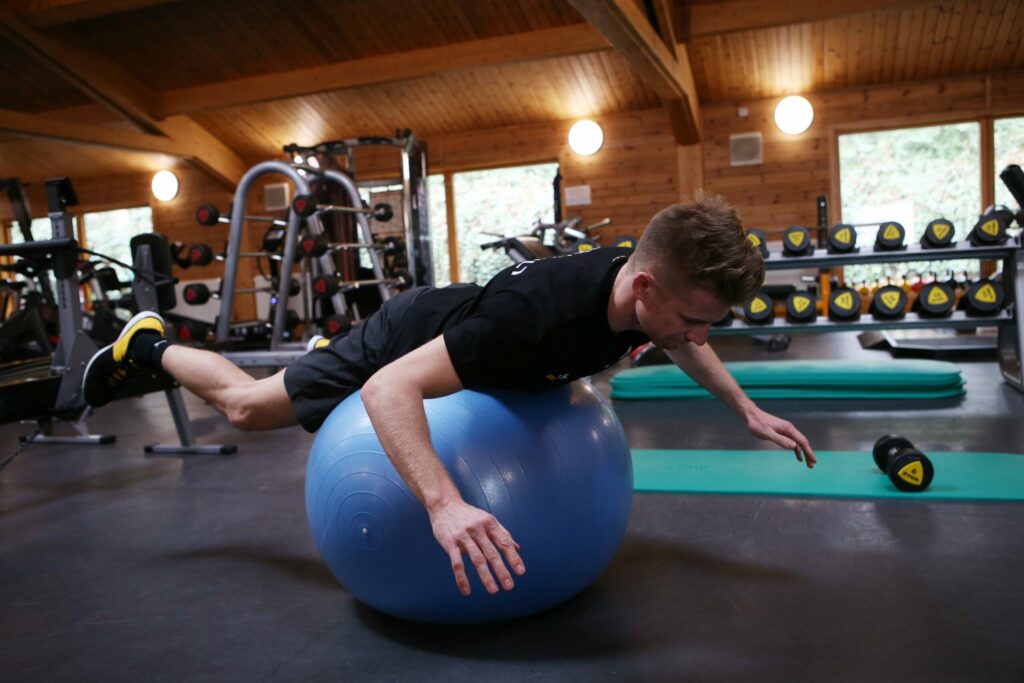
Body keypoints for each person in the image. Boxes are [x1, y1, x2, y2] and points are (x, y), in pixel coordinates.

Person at [83, 193, 815, 598]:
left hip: (471, 342)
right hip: (407, 341)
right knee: (249, 409)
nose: (696, 335)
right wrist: (444, 501)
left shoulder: (645, 294)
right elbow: (387, 386)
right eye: (691, 317)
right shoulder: (531, 322)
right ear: (645, 285)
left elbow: (689, 341)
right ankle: (146, 343)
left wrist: (745, 409)